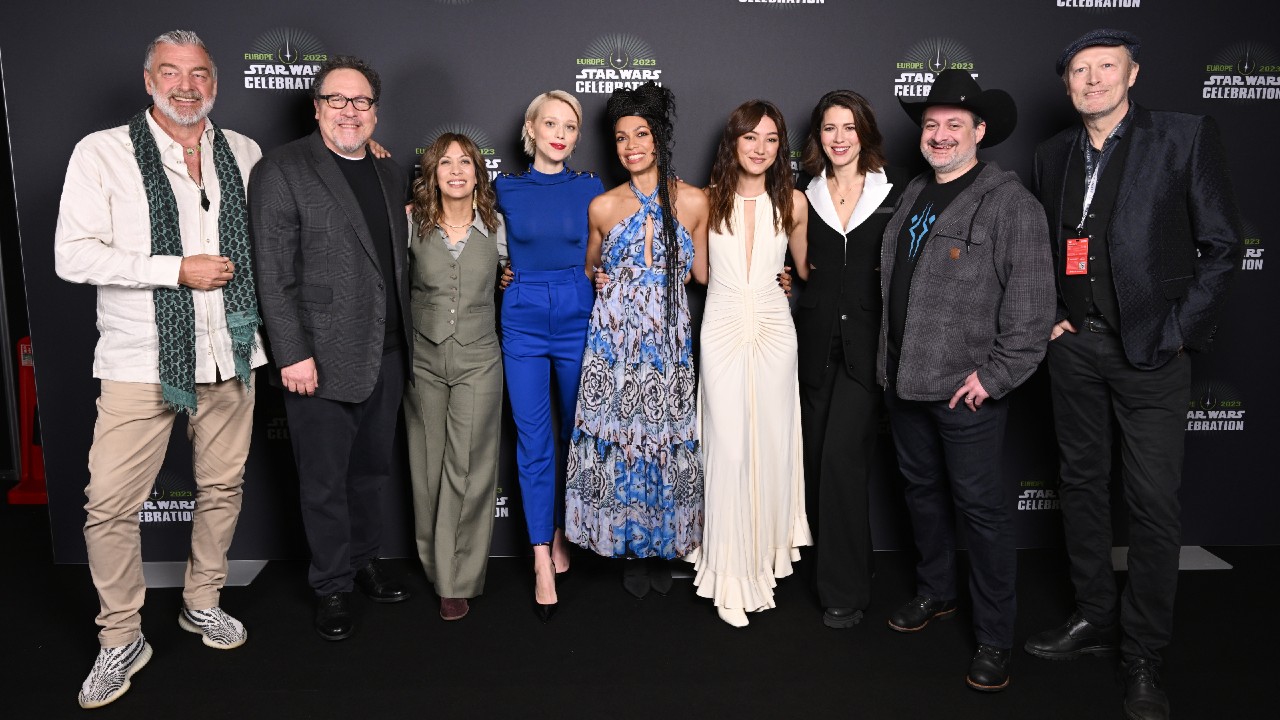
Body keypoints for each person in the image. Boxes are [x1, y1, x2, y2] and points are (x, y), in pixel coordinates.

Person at [1025, 30, 1241, 720]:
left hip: (1152, 353)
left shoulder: (1182, 136)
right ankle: (1095, 616)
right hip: (1075, 349)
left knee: (1151, 504)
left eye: (1105, 68)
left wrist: (1179, 332)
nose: (1092, 80)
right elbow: (1051, 248)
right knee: (1081, 486)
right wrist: (1053, 315)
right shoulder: (1052, 153)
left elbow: (1223, 245)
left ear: (1133, 74)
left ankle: (1144, 651)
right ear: (1067, 86)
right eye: (1079, 71)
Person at [53, 29, 266, 708]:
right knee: (109, 507)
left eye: (199, 73)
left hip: (230, 353)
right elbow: (73, 256)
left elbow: (290, 215)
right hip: (140, 361)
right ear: (149, 82)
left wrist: (360, 160)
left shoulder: (244, 152)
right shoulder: (102, 153)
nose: (186, 85)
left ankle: (201, 600)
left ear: (215, 82)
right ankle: (120, 637)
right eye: (170, 73)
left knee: (222, 487)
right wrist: (173, 270)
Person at [879, 69, 1054, 692]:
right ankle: (935, 592)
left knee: (981, 513)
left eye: (956, 124)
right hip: (903, 381)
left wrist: (998, 375)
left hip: (965, 392)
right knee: (921, 496)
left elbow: (1033, 309)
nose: (941, 134)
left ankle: (994, 637)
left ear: (981, 131)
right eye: (931, 125)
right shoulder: (916, 191)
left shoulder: (1011, 204)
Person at [250, 55, 413, 641]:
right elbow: (272, 273)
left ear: (375, 111)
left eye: (361, 101)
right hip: (316, 358)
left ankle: (366, 559)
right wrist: (290, 353)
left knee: (370, 472)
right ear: (316, 107)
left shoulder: (389, 172)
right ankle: (332, 586)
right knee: (322, 482)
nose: (350, 111)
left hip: (388, 352)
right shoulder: (283, 169)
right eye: (337, 100)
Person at [565, 81, 708, 599]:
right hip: (614, 344)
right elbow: (589, 270)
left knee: (664, 435)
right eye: (622, 137)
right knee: (622, 438)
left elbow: (707, 275)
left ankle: (663, 546)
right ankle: (625, 548)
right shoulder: (602, 205)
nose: (630, 147)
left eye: (641, 134)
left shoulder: (695, 201)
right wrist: (601, 279)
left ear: (660, 137)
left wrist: (775, 278)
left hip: (668, 343)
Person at [691, 100, 811, 628]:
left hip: (774, 332)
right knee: (729, 447)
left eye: (770, 139)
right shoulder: (704, 201)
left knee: (770, 445)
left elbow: (807, 269)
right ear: (732, 143)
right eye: (750, 138)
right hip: (720, 328)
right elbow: (696, 274)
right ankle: (729, 574)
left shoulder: (797, 203)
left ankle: (763, 561)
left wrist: (788, 280)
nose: (760, 149)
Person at [794, 90, 906, 630]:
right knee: (819, 463)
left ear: (865, 132)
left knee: (841, 458)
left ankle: (843, 592)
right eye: (829, 129)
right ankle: (853, 566)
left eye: (849, 127)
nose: (839, 138)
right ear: (818, 137)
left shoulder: (897, 194)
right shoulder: (801, 195)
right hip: (812, 351)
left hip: (868, 352)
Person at [494, 90, 604, 620]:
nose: (561, 133)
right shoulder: (504, 188)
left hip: (579, 312)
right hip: (524, 315)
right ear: (531, 128)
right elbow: (453, 220)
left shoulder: (591, 188)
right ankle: (541, 554)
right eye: (551, 123)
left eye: (571, 126)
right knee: (534, 438)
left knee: (573, 433)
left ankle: (563, 528)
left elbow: (609, 246)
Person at [403, 133, 508, 622]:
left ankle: (457, 580)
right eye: (445, 162)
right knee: (427, 468)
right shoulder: (410, 223)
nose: (457, 169)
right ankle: (434, 562)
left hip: (479, 358)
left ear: (477, 171)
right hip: (423, 358)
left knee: (468, 466)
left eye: (465, 161)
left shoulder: (496, 225)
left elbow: (518, 273)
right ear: (433, 172)